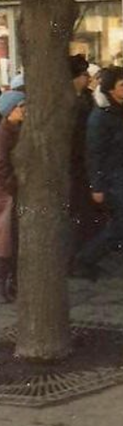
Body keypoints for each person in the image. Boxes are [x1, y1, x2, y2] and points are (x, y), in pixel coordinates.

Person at [73, 67, 123, 292]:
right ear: (110, 89)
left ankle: (84, 258)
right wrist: (97, 186)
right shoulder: (100, 117)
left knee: (119, 228)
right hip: (114, 180)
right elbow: (94, 154)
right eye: (121, 84)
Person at [69, 54, 104, 255]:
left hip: (87, 161)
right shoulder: (70, 101)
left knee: (89, 214)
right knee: (80, 214)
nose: (88, 79)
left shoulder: (87, 98)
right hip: (77, 164)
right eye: (84, 75)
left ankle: (86, 255)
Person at [0, 90, 25, 302]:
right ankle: (5, 285)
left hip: (9, 192)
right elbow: (2, 166)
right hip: (5, 194)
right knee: (6, 241)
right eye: (20, 106)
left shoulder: (16, 129)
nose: (24, 110)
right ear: (10, 111)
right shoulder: (4, 134)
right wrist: (12, 184)